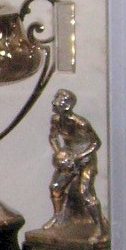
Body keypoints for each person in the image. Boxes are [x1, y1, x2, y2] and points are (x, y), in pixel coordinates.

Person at [43, 88, 106, 237]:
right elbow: (53, 137)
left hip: (85, 159)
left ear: (67, 105)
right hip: (68, 159)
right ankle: (58, 217)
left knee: (86, 192)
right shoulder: (56, 120)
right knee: (56, 187)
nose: (53, 102)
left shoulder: (80, 123)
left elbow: (96, 143)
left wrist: (78, 157)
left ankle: (99, 226)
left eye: (57, 100)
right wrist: (59, 152)